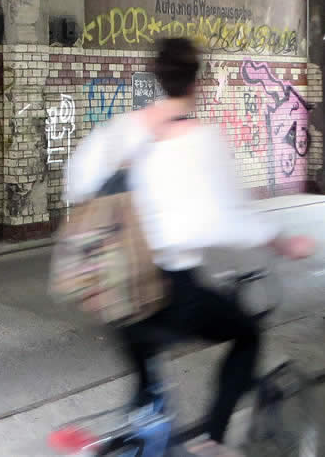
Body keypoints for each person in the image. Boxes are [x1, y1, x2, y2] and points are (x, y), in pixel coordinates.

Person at [65, 37, 313, 456]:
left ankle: (142, 425)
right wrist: (283, 244)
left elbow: (78, 180)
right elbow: (226, 220)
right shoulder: (200, 141)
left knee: (145, 369)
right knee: (247, 335)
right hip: (170, 291)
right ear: (196, 82)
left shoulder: (124, 130)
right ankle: (212, 440)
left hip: (115, 288)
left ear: (157, 78)